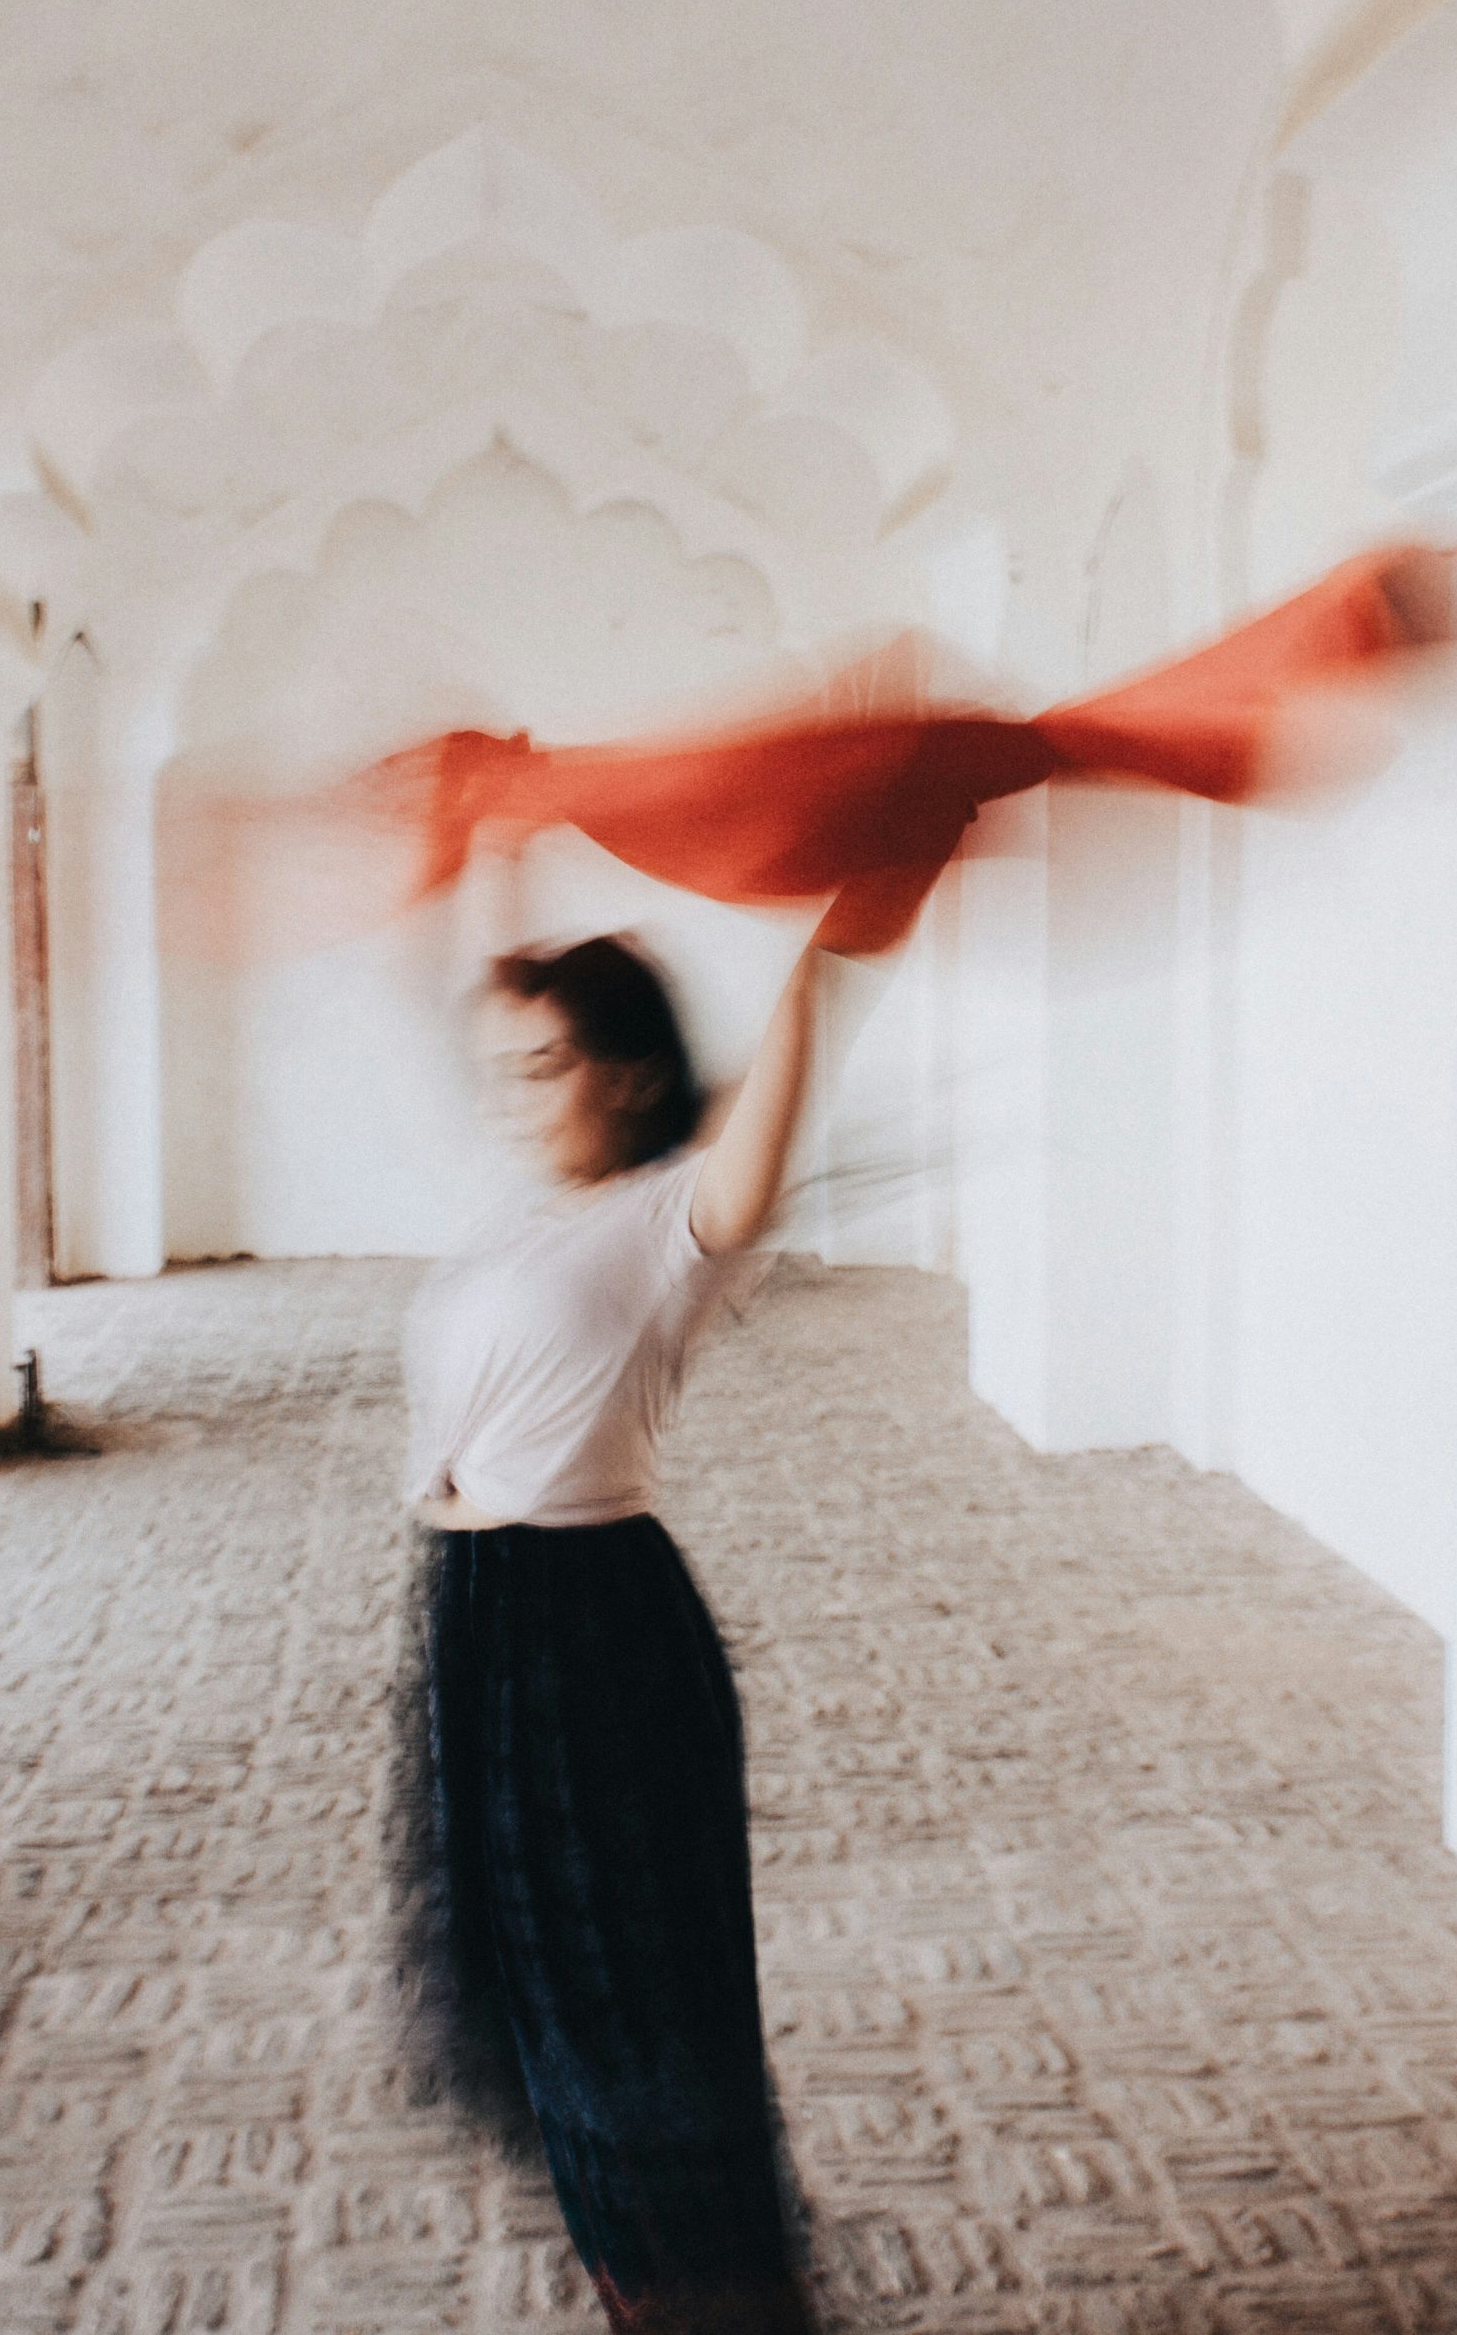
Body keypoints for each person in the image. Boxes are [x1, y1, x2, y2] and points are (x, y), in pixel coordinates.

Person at [396, 928, 832, 2335]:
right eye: (497, 1073)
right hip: (480, 1629)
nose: (514, 1100)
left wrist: (828, 951)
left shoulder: (676, 1220)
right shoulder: (532, 1216)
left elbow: (764, 1127)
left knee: (640, 2019)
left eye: (546, 1067)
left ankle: (720, 2308)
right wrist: (474, 854)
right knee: (549, 2012)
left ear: (634, 1078)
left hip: (595, 1634)